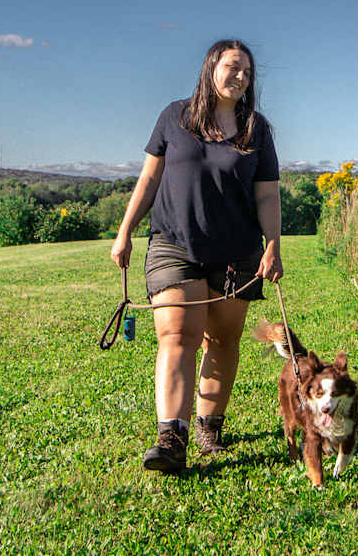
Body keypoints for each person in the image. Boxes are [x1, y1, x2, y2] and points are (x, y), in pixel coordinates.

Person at [111, 39, 284, 473]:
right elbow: (150, 178)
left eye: (247, 70)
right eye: (232, 67)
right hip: (174, 242)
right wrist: (125, 231)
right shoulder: (175, 117)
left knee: (223, 340)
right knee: (177, 335)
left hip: (237, 252)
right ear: (211, 69)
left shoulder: (256, 129)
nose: (240, 76)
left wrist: (273, 244)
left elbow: (267, 195)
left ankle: (209, 423)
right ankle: (172, 435)